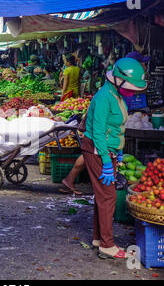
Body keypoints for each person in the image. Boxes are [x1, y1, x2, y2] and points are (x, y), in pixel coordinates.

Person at [59, 53, 151, 196]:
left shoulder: (125, 83)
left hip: (104, 131)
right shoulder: (112, 88)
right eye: (142, 64)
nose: (144, 67)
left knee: (89, 156)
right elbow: (99, 128)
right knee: (104, 190)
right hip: (100, 133)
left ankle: (70, 180)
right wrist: (108, 162)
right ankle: (70, 179)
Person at [82, 57, 147, 259]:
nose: (132, 91)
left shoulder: (116, 94)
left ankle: (98, 238)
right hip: (96, 150)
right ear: (117, 79)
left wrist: (117, 151)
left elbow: (115, 128)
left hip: (107, 151)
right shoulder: (104, 97)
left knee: (103, 195)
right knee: (108, 196)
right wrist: (107, 161)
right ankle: (107, 245)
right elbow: (99, 132)